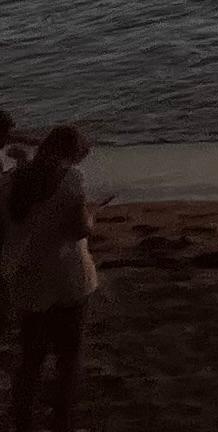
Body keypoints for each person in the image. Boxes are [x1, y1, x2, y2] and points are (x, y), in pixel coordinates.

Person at [4, 123, 94, 432]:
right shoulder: (73, 179)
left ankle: (23, 423)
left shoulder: (10, 182)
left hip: (28, 275)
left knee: (30, 358)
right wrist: (92, 216)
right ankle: (61, 423)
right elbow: (79, 229)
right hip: (68, 275)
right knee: (68, 357)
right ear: (71, 154)